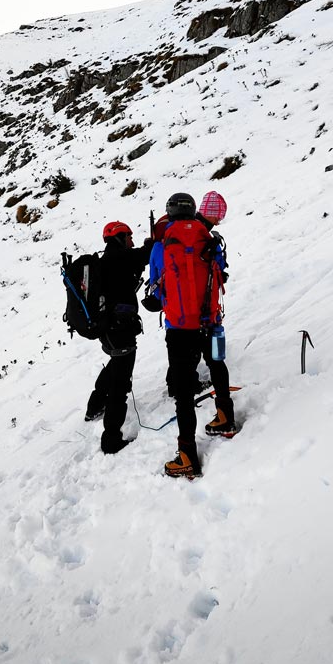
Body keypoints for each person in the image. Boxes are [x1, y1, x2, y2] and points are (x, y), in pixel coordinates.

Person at [149, 191, 237, 478]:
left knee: (184, 391)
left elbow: (155, 286)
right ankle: (225, 417)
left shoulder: (161, 245)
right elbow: (221, 273)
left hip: (179, 329)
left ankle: (187, 455)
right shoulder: (210, 239)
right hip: (210, 320)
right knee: (216, 363)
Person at [84, 220, 152, 454]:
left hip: (108, 329)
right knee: (121, 383)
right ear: (119, 237)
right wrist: (151, 244)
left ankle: (94, 406)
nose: (132, 241)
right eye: (129, 236)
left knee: (115, 364)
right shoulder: (120, 258)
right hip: (119, 329)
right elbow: (145, 255)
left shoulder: (106, 261)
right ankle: (111, 438)